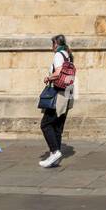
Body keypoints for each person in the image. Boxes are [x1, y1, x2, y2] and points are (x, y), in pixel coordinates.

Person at [38, 34, 75, 168]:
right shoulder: (68, 55)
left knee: (46, 124)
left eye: (52, 44)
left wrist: (48, 78)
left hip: (57, 94)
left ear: (56, 44)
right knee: (57, 127)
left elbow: (58, 73)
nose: (51, 47)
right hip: (67, 94)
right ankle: (55, 157)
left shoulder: (59, 55)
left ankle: (54, 152)